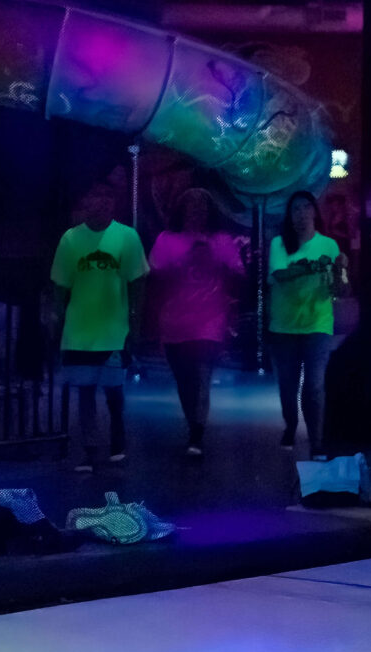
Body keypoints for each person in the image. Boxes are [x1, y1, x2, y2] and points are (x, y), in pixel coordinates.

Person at [48, 182, 147, 470]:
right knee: (85, 390)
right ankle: (90, 448)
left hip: (115, 330)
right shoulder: (70, 239)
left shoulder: (127, 237)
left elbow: (138, 282)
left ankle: (117, 435)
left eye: (107, 196)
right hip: (79, 331)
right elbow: (60, 285)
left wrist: (135, 322)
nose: (102, 202)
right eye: (95, 195)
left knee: (114, 389)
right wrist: (56, 319)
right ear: (85, 201)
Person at [146, 188, 246, 458]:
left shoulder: (221, 241)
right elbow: (153, 275)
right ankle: (193, 424)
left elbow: (238, 274)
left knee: (202, 375)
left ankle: (197, 434)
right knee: (184, 379)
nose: (196, 210)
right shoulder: (167, 240)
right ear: (182, 210)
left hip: (210, 320)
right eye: (190, 205)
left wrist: (220, 265)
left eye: (201, 206)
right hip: (175, 320)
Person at [266, 191, 346, 458]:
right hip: (284, 327)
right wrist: (309, 268)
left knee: (314, 385)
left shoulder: (329, 246)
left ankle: (317, 442)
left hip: (317, 324)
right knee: (288, 387)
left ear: (314, 211)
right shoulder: (279, 244)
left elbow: (339, 288)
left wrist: (340, 272)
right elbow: (279, 274)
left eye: (305, 208)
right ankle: (290, 424)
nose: (301, 214)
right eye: (295, 210)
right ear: (289, 216)